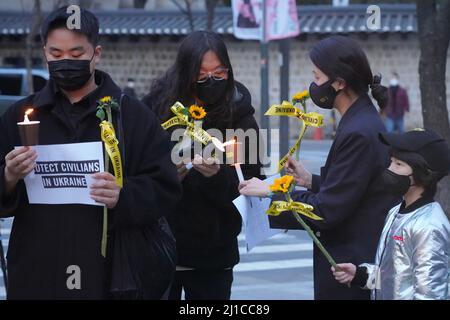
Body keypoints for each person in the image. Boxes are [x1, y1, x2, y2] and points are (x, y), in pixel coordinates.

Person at [0, 6, 182, 299]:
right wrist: (8, 177)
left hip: (109, 275)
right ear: (44, 52)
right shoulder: (20, 116)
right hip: (36, 272)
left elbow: (166, 187)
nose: (65, 62)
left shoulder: (131, 116)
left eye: (76, 54)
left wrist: (123, 195)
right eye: (56, 55)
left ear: (96, 54)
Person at [238, 35, 399, 300]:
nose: (313, 85)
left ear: (339, 82)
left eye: (317, 77)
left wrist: (270, 193)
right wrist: (309, 180)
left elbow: (327, 209)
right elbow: (351, 187)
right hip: (351, 256)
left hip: (350, 263)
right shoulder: (360, 119)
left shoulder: (359, 130)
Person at [142, 31, 263, 300]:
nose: (211, 80)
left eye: (219, 73)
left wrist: (218, 175)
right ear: (185, 73)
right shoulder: (156, 107)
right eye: (202, 74)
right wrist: (167, 175)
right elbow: (137, 171)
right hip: (163, 245)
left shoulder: (239, 114)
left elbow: (253, 183)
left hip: (213, 252)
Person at [332, 129, 450, 300]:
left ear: (423, 174)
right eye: (391, 161)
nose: (390, 169)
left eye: (399, 164)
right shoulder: (396, 211)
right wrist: (360, 275)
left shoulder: (429, 228)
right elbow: (398, 276)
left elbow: (430, 294)